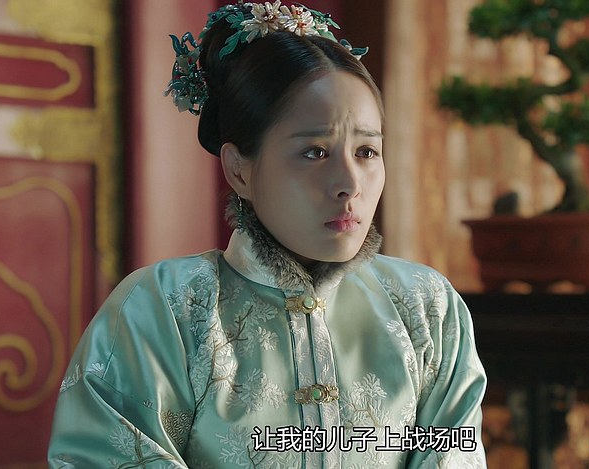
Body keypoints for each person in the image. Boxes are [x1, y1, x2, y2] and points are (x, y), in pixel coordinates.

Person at [47, 2, 487, 467]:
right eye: (315, 152)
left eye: (366, 151)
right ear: (239, 169)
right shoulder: (167, 311)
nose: (350, 184)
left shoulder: (425, 308)